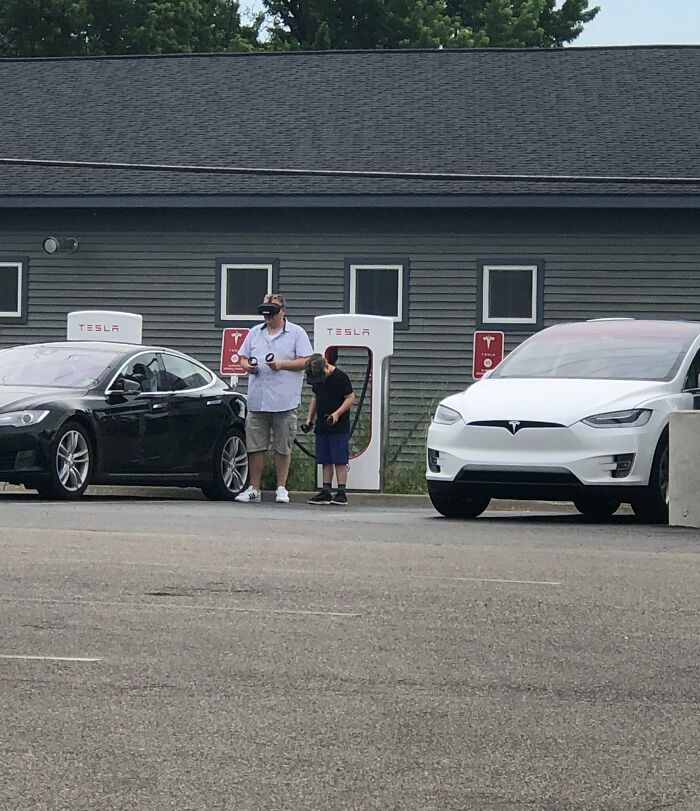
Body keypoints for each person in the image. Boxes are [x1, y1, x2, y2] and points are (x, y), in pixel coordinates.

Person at [235, 293, 313, 504]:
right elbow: (241, 357)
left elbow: (307, 360)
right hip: (258, 398)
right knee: (255, 445)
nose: (268, 317)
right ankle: (254, 488)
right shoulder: (254, 333)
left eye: (273, 312)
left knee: (282, 445)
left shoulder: (296, 333)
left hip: (284, 399)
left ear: (283, 311)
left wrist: (282, 364)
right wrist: (247, 366)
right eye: (265, 312)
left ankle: (281, 487)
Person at [303, 353, 355, 506]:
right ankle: (326, 490)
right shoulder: (317, 380)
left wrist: (337, 414)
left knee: (339, 459)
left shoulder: (340, 377)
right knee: (325, 459)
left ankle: (341, 491)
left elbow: (350, 397)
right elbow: (315, 398)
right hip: (322, 423)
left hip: (338, 424)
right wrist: (309, 419)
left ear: (326, 367)